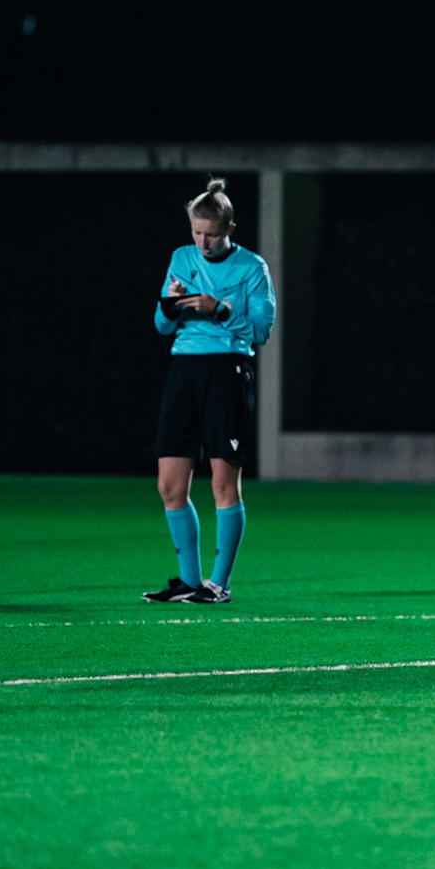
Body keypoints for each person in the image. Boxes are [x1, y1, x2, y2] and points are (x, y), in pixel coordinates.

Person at [142, 179, 277, 605]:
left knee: (223, 482)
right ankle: (188, 580)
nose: (203, 242)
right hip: (185, 369)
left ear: (230, 227)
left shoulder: (252, 268)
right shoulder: (181, 259)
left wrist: (216, 309)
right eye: (197, 232)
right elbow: (163, 326)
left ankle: (218, 584)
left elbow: (261, 329)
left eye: (212, 233)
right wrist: (172, 304)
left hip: (228, 370)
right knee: (169, 485)